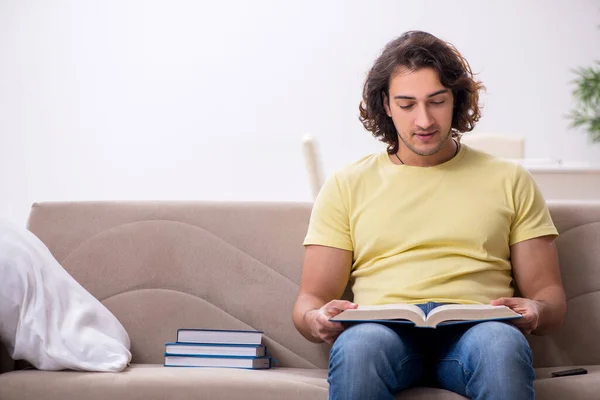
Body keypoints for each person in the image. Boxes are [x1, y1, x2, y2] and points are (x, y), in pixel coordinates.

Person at [292, 30, 566, 400]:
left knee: (500, 344)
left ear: (456, 100)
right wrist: (316, 319)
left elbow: (549, 298)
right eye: (407, 105)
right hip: (381, 330)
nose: (424, 120)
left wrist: (536, 309)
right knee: (359, 347)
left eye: (436, 101)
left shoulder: (510, 179)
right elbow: (309, 300)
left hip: (478, 330)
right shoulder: (347, 184)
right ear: (386, 106)